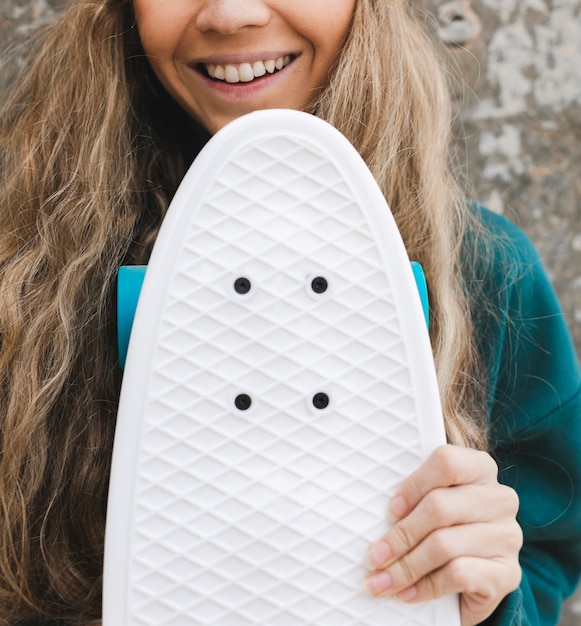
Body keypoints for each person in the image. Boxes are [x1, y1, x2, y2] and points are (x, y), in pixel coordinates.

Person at [0, 0, 579, 624]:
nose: (231, 14)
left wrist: (488, 595)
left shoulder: (486, 271)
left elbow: (552, 547)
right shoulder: (21, 273)